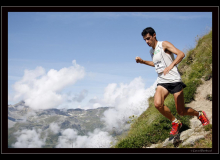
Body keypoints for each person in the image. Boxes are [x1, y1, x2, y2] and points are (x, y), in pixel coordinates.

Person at [136, 27, 209, 136]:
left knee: (181, 111)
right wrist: (142, 61)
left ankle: (199, 114)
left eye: (148, 38)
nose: (147, 42)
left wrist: (170, 66)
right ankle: (175, 122)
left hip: (174, 80)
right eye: (145, 40)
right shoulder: (151, 51)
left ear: (154, 35)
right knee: (157, 104)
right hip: (162, 81)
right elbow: (156, 64)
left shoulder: (164, 44)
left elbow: (181, 54)